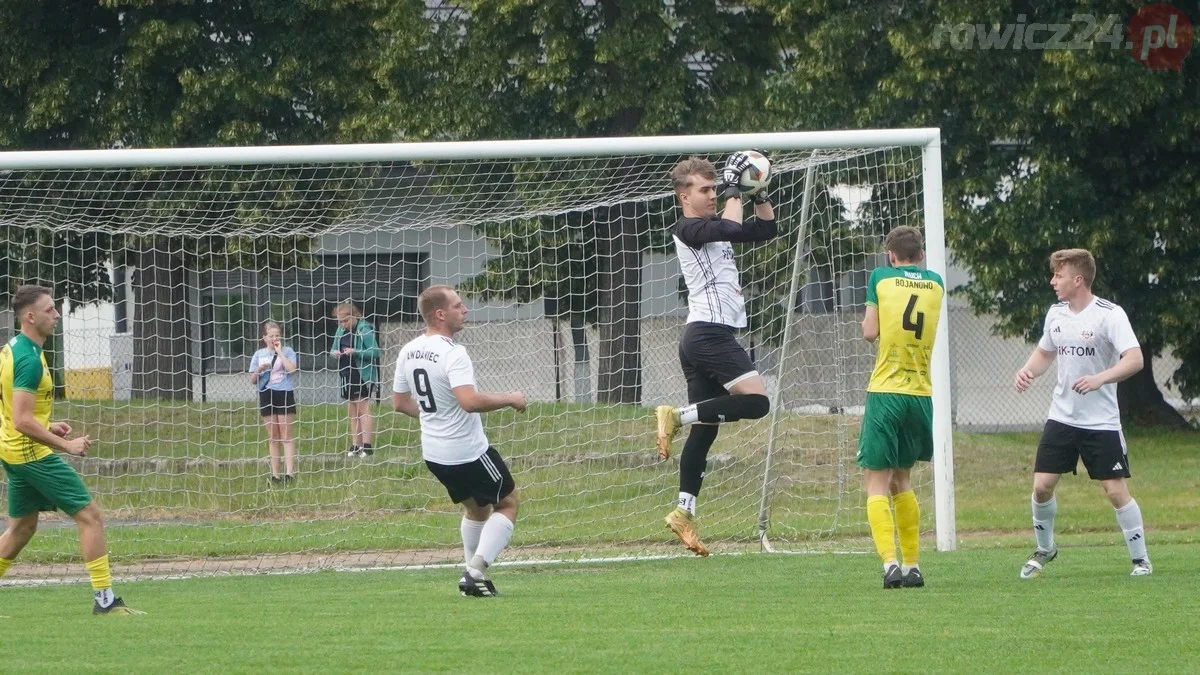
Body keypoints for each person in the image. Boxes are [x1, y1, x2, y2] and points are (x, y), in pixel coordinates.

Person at [653, 153, 778, 557]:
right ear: (682, 196)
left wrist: (757, 190)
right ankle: (675, 416)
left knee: (706, 431)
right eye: (703, 190)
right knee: (758, 402)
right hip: (708, 334)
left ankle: (683, 511)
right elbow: (728, 224)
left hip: (700, 337)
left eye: (712, 188)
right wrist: (732, 187)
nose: (710, 195)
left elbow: (766, 229)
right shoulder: (688, 227)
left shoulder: (713, 227)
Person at [0, 285, 143, 614]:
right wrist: (66, 444)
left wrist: (47, 424)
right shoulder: (28, 360)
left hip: (12, 451)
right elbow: (21, 420)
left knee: (22, 528)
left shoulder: (12, 349)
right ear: (31, 316)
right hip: (31, 455)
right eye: (50, 310)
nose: (56, 315)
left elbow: (11, 408)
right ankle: (105, 602)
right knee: (91, 517)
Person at [1014, 248, 1150, 578]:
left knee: (1114, 490)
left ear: (1078, 279)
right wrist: (1027, 371)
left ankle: (1140, 559)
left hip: (1100, 421)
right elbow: (1045, 353)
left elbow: (1135, 359)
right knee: (1042, 486)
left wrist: (1100, 378)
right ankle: (1045, 549)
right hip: (1062, 417)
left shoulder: (1109, 315)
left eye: (1058, 275)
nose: (1052, 281)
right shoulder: (1056, 314)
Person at [391, 285, 526, 597]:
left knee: (477, 510)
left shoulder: (408, 350)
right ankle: (475, 571)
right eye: (458, 306)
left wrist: (434, 418)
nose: (464, 310)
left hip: (435, 454)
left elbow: (399, 403)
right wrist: (511, 398)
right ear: (440, 314)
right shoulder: (453, 352)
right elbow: (469, 401)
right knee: (508, 503)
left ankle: (473, 581)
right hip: (467, 451)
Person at [857, 226, 944, 589]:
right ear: (921, 256)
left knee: (876, 482)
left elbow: (869, 332)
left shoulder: (880, 277)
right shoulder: (936, 283)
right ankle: (913, 565)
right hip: (920, 394)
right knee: (902, 480)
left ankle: (890, 563)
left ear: (891, 256)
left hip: (886, 390)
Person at [249, 320, 300, 483]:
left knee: (286, 435)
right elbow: (253, 380)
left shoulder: (288, 351)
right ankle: (275, 475)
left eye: (277, 335)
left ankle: (290, 473)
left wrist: (280, 353)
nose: (274, 338)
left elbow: (292, 369)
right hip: (266, 394)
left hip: (284, 393)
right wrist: (259, 370)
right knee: (273, 436)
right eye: (271, 336)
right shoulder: (258, 354)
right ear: (265, 338)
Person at [330, 300, 381, 457]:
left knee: (362, 409)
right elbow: (333, 348)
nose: (343, 324)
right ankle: (355, 445)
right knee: (352, 411)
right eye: (340, 321)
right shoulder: (340, 331)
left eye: (345, 321)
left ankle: (367, 445)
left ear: (354, 316)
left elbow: (375, 352)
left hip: (361, 374)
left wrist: (356, 352)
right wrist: (335, 353)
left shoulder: (364, 330)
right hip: (346, 373)